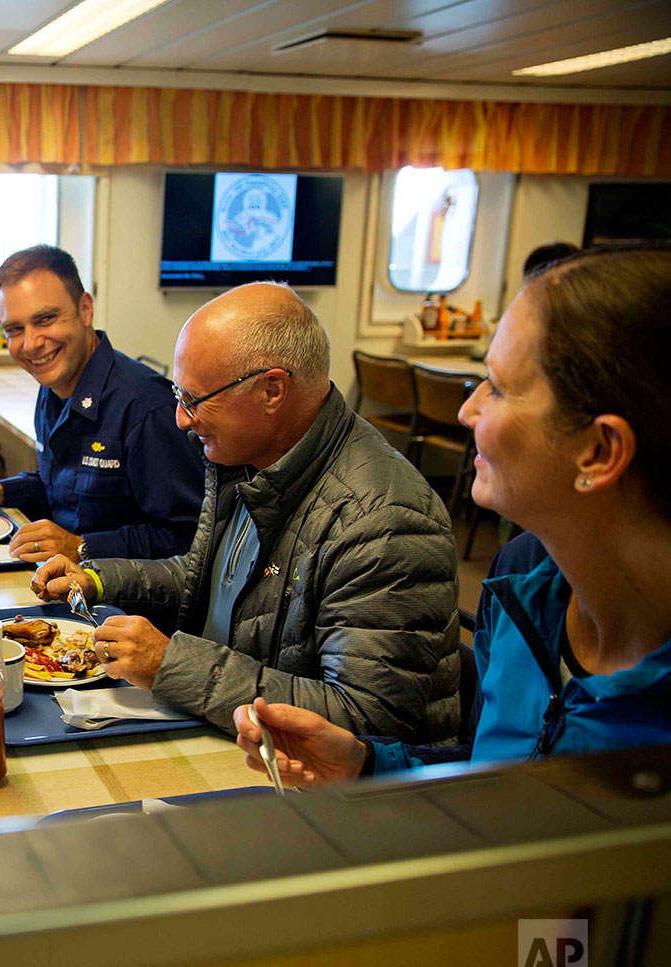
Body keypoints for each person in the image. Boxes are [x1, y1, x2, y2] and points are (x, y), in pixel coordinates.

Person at [232, 245, 671, 786]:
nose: (468, 410)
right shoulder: (522, 578)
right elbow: (495, 771)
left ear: (599, 452)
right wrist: (366, 765)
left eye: (500, 388)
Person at [33, 282, 460, 741]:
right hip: (229, 726)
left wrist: (171, 664)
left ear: (272, 390)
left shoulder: (383, 521)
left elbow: (365, 721)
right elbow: (208, 580)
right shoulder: (246, 458)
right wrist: (97, 578)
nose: (180, 419)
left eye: (193, 400)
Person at [0, 245, 202, 563]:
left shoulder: (146, 408)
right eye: (14, 329)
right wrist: (0, 491)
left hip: (124, 606)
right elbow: (64, 487)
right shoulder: (53, 387)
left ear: (85, 310)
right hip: (64, 581)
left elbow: (189, 539)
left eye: (46, 319)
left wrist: (80, 547)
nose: (30, 344)